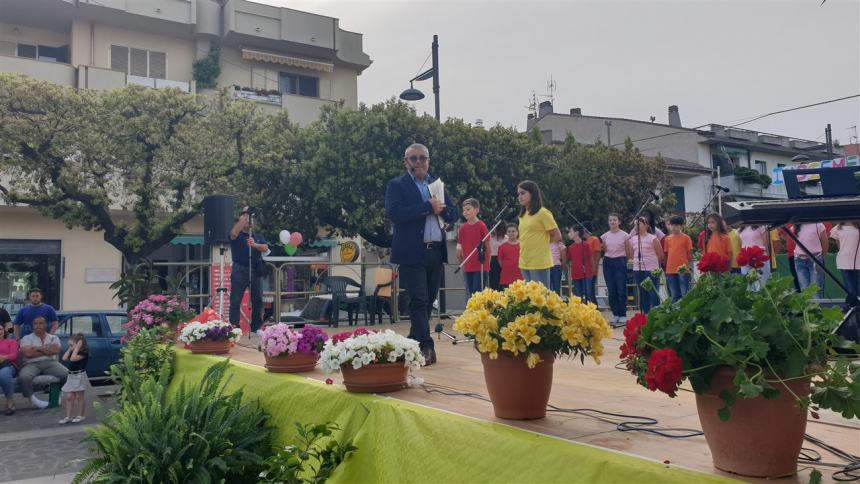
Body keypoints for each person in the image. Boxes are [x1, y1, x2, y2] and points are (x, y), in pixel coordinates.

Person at [385, 143, 458, 365]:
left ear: (428, 161)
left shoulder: (437, 185)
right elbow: (394, 213)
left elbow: (453, 214)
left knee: (427, 302)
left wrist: (443, 209)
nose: (418, 162)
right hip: (411, 252)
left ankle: (413, 341)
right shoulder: (397, 185)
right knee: (419, 299)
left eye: (422, 158)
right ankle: (426, 346)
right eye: (414, 158)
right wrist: (427, 207)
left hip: (435, 251)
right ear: (406, 161)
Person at [229, 207, 269, 333]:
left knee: (257, 300)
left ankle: (256, 327)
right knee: (235, 300)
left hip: (255, 269)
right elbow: (233, 234)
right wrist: (244, 215)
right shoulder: (238, 234)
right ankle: (235, 327)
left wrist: (254, 245)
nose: (248, 221)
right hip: (239, 269)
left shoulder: (257, 236)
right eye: (246, 219)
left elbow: (265, 247)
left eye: (250, 219)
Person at [516, 181, 562, 287]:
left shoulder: (543, 213)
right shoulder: (523, 215)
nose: (520, 196)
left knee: (540, 297)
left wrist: (541, 244)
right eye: (518, 194)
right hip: (524, 260)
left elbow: (557, 235)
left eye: (523, 193)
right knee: (528, 298)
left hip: (539, 261)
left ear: (532, 193)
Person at [18, 316, 68, 409]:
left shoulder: (53, 337)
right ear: (32, 326)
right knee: (23, 377)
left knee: (66, 373)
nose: (38, 325)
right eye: (35, 323)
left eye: (41, 323)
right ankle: (33, 400)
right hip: (31, 364)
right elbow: (28, 353)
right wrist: (47, 349)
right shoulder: (26, 338)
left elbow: (55, 350)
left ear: (46, 325)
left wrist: (37, 348)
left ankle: (60, 393)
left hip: (50, 363)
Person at [627, 216, 665, 314]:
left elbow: (660, 255)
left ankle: (656, 313)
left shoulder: (653, 238)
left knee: (653, 292)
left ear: (646, 225)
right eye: (635, 224)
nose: (636, 226)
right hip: (637, 269)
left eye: (639, 224)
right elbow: (631, 255)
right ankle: (646, 313)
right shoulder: (633, 239)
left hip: (651, 269)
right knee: (642, 292)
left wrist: (653, 264)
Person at [457, 198, 490, 300]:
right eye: (464, 210)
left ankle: (478, 314)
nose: (465, 212)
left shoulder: (481, 226)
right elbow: (460, 246)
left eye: (468, 209)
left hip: (480, 265)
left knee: (477, 293)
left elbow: (487, 247)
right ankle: (469, 314)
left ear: (476, 210)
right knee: (469, 293)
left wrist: (487, 265)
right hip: (467, 265)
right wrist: (460, 255)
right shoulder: (462, 228)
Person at [602, 213, 629, 325]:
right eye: (610, 220)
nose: (612, 222)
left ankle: (622, 314)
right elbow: (604, 250)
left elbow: (628, 251)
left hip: (620, 261)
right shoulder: (604, 236)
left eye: (614, 220)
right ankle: (615, 314)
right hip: (608, 262)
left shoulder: (625, 235)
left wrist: (623, 261)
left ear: (619, 222)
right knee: (611, 289)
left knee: (621, 289)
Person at [59, 333, 90, 424]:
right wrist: (70, 349)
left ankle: (81, 415)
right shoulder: (73, 351)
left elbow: (73, 359)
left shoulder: (84, 353)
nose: (70, 347)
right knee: (69, 397)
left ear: (79, 344)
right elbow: (64, 358)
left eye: (71, 345)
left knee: (80, 397)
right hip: (71, 376)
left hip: (79, 375)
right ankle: (68, 416)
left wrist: (76, 348)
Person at [794, 222, 829, 299]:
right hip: (799, 260)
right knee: (804, 289)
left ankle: (817, 310)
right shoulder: (796, 226)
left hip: (815, 259)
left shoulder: (819, 225)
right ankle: (808, 310)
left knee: (816, 289)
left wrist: (821, 258)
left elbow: (825, 244)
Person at [663, 216, 693, 302]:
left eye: (676, 225)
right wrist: (665, 267)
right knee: (674, 294)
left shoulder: (686, 238)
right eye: (672, 225)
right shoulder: (667, 239)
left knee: (685, 293)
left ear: (681, 226)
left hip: (683, 269)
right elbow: (666, 253)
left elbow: (690, 252)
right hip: (670, 269)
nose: (674, 227)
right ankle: (675, 313)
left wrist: (688, 265)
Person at [831, 221, 860, 297]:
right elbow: (839, 246)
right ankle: (853, 307)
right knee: (850, 290)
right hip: (844, 262)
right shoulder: (837, 228)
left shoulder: (858, 227)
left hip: (858, 260)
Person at [566, 227, 594, 303]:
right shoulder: (570, 247)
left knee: (588, 294)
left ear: (577, 233)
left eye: (570, 232)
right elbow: (567, 260)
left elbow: (591, 259)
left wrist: (592, 271)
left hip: (587, 273)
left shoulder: (586, 245)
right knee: (578, 296)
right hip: (575, 274)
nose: (569, 234)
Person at [497, 223, 524, 290]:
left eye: (513, 231)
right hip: (507, 277)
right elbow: (500, 261)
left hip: (521, 276)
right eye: (509, 231)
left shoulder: (523, 246)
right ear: (506, 233)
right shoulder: (502, 247)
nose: (511, 233)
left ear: (517, 232)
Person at [0, 322, 17, 415]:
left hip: (8, 365)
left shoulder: (11, 341)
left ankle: (10, 401)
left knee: (4, 375)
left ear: (4, 330)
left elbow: (14, 355)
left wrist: (3, 357)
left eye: (0, 329)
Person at [584, 224, 601, 305]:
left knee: (589, 291)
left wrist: (594, 267)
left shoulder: (595, 239)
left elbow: (598, 254)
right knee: (587, 292)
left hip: (592, 270)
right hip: (585, 270)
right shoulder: (583, 241)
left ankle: (595, 309)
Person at [488, 223, 507, 290]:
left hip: (504, 259)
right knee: (494, 279)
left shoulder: (506, 238)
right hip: (493, 258)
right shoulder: (489, 236)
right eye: (493, 227)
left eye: (496, 227)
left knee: (503, 278)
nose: (494, 229)